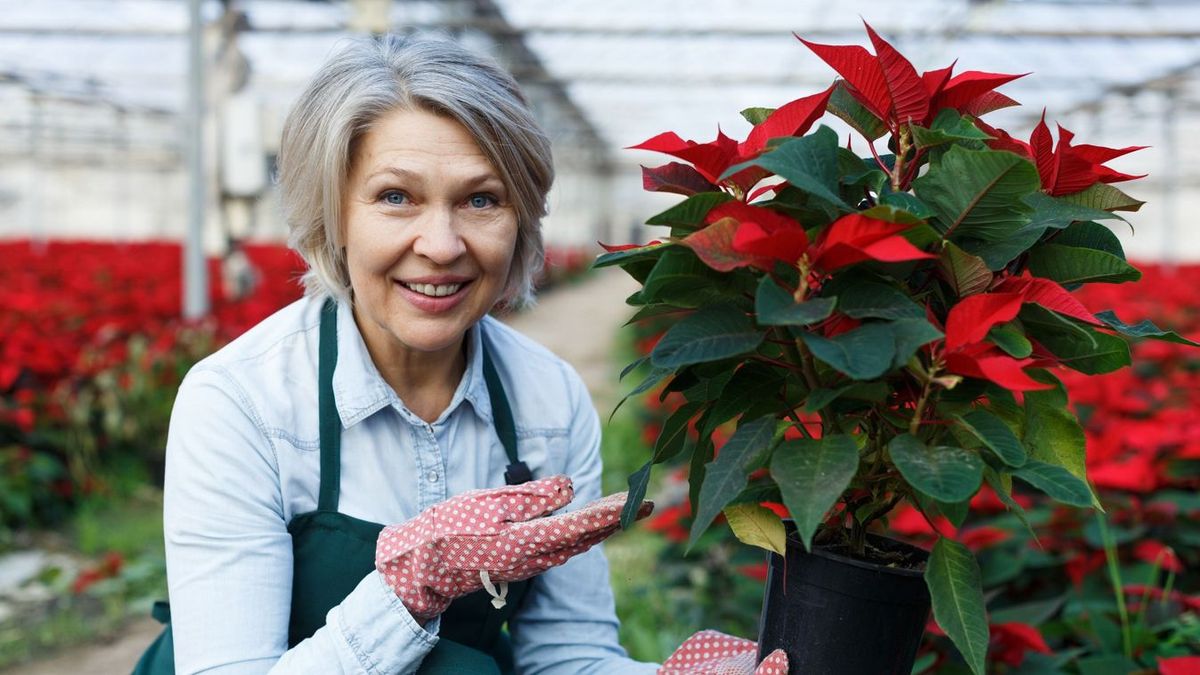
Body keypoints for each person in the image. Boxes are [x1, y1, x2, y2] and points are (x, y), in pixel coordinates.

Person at [133, 34, 786, 675]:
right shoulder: (242, 400)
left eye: (481, 199)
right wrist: (403, 595)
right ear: (333, 214)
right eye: (396, 197)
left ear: (522, 219)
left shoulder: (547, 400)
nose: (442, 245)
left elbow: (563, 654)